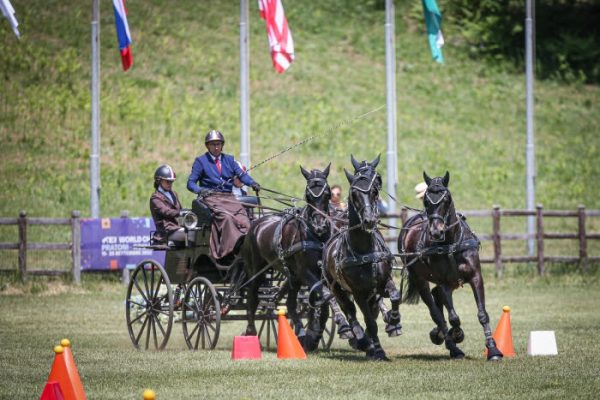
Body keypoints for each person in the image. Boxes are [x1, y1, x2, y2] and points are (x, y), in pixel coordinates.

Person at [187, 130, 260, 262]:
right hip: (211, 197)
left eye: (218, 144)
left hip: (228, 198)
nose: (216, 147)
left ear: (222, 145)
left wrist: (252, 183)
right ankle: (230, 250)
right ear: (207, 146)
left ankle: (247, 247)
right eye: (213, 144)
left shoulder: (229, 160)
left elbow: (242, 175)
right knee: (226, 218)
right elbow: (190, 183)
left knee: (244, 219)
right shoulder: (201, 161)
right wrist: (200, 190)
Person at [149, 164, 186, 245]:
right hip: (166, 232)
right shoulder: (155, 198)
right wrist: (180, 213)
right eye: (167, 181)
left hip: (178, 228)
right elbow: (166, 211)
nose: (170, 183)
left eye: (171, 181)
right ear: (159, 181)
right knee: (190, 234)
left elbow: (180, 209)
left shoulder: (174, 194)